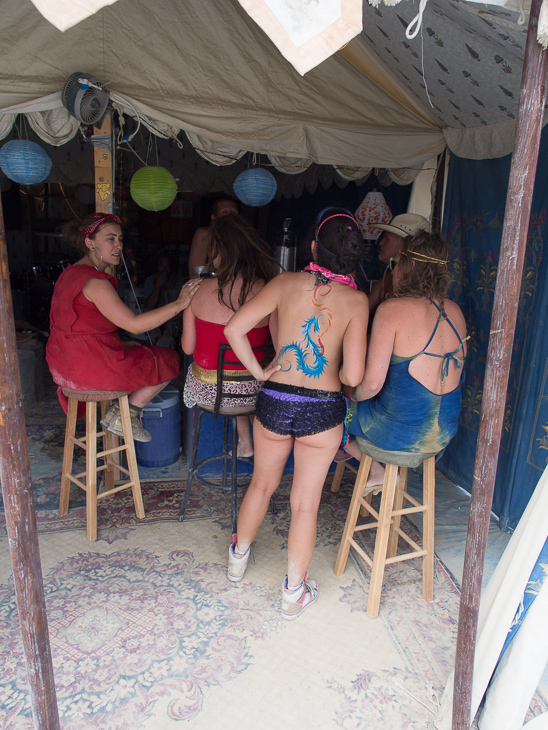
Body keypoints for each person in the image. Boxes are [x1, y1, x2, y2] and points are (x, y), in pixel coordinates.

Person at [224, 207, 369, 620]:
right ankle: (293, 593)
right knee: (305, 504)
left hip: (274, 398)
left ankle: (238, 560)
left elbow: (235, 328)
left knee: (261, 485)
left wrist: (260, 372)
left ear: (312, 247)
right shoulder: (357, 300)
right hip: (322, 410)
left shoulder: (284, 282)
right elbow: (353, 374)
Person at [46, 213, 201, 442]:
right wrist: (180, 304)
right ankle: (126, 413)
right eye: (110, 239)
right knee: (168, 359)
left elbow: (81, 327)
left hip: (63, 364)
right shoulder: (95, 282)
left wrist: (117, 343)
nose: (118, 245)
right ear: (89, 242)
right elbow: (135, 325)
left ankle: (120, 413)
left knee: (136, 348)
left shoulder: (69, 273)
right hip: (88, 368)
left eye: (120, 238)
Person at [344, 231, 467, 486]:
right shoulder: (455, 311)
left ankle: (375, 471)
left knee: (327, 410)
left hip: (398, 434)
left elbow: (372, 385)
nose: (394, 269)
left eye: (396, 263)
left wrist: (350, 395)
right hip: (444, 433)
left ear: (409, 266)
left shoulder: (392, 310)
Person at [182, 213, 276, 458]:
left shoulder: (196, 289)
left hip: (209, 391)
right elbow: (279, 345)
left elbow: (187, 348)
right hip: (253, 391)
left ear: (215, 250)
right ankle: (257, 447)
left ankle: (245, 442)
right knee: (245, 378)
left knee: (221, 373)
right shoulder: (267, 290)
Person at [368, 213, 430, 316]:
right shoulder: (386, 280)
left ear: (404, 244)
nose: (381, 243)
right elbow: (363, 308)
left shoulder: (420, 287)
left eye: (387, 239)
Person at [188, 197, 239, 276]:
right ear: (214, 218)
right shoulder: (205, 234)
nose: (230, 216)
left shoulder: (242, 237)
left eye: (233, 213)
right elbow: (196, 274)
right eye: (225, 212)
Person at [143, 254, 185, 346]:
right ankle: (159, 340)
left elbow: (182, 304)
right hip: (157, 313)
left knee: (179, 317)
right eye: (161, 266)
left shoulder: (179, 281)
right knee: (146, 313)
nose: (164, 269)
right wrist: (157, 286)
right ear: (157, 267)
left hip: (174, 313)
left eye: (167, 266)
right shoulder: (150, 280)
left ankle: (162, 344)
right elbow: (150, 304)